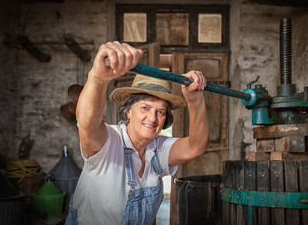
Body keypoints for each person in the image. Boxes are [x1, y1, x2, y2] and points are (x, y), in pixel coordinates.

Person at [65, 41, 210, 225]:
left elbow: (196, 146)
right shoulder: (109, 142)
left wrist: (195, 100)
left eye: (160, 112)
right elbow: (87, 123)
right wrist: (98, 78)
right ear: (128, 111)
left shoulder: (158, 148)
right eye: (145, 108)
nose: (152, 118)